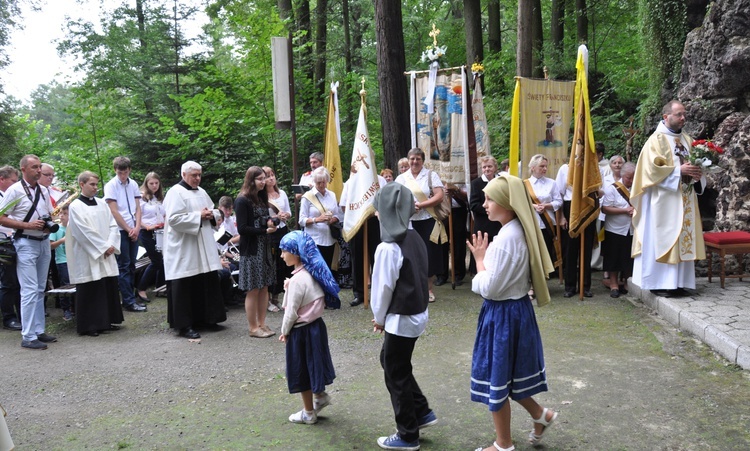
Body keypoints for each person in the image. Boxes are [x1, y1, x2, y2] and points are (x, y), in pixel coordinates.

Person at [467, 174, 557, 451]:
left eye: (490, 198)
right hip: (516, 311)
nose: (485, 204)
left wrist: (480, 261)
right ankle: (541, 416)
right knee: (512, 377)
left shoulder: (507, 238)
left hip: (503, 314)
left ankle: (503, 444)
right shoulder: (516, 229)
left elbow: (490, 288)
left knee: (497, 379)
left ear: (506, 202)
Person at [370, 182, 437, 451]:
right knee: (392, 361)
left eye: (378, 209)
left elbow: (382, 289)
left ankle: (408, 434)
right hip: (416, 313)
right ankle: (421, 411)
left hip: (402, 317)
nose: (375, 213)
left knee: (395, 371)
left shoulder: (388, 247)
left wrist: (379, 318)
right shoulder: (414, 236)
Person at [631, 100, 706, 297]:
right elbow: (650, 171)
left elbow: (696, 165)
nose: (683, 118)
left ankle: (679, 283)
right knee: (662, 237)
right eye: (679, 114)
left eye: (684, 114)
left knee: (684, 238)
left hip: (686, 197)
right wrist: (678, 171)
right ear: (666, 117)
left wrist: (698, 175)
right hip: (663, 201)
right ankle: (659, 283)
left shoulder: (688, 140)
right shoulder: (656, 141)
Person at [278, 231, 338, 425]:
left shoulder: (297, 281)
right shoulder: (315, 272)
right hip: (316, 328)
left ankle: (308, 412)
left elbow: (291, 312)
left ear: (296, 253)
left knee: (301, 369)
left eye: (284, 251)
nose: (281, 255)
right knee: (314, 362)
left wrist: (284, 331)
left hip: (300, 331)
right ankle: (320, 395)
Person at [163, 161, 227, 339]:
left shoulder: (202, 191)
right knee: (185, 285)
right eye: (194, 175)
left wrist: (211, 215)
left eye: (199, 175)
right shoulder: (175, 192)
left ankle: (207, 318)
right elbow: (174, 219)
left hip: (203, 246)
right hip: (185, 247)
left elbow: (214, 211)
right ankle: (185, 325)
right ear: (184, 174)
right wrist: (198, 216)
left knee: (204, 281)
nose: (197, 178)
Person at [0, 155, 58, 350]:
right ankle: (28, 335)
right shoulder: (14, 190)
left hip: (43, 242)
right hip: (25, 242)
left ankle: (39, 330)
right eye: (34, 167)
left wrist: (48, 226)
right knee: (29, 289)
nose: (39, 170)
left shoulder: (43, 190)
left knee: (40, 288)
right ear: (23, 169)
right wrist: (28, 225)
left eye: (40, 167)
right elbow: (1, 217)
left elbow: (49, 214)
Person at [67, 171, 125, 337]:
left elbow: (113, 225)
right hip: (88, 254)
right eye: (92, 184)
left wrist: (111, 245)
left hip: (106, 251)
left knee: (106, 285)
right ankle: (90, 325)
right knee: (91, 287)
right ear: (82, 185)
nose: (95, 188)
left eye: (96, 184)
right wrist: (102, 247)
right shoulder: (75, 206)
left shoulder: (102, 204)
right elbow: (82, 231)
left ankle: (106, 321)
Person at [395, 148, 445, 303]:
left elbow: (439, 195)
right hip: (408, 221)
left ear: (422, 160)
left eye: (417, 159)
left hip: (428, 219)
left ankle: (428, 289)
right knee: (409, 255)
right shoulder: (401, 178)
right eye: (412, 159)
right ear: (408, 160)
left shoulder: (431, 175)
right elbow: (395, 197)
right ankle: (412, 287)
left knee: (428, 254)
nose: (414, 162)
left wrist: (422, 205)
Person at [235, 166, 277, 338]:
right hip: (251, 251)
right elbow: (243, 229)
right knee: (253, 289)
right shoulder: (242, 200)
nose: (264, 181)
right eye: (260, 178)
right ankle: (253, 327)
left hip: (265, 248)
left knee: (264, 287)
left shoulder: (261, 197)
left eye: (264, 178)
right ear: (251, 180)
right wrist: (263, 231)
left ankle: (262, 323)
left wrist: (271, 222)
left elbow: (264, 218)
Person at [103, 156, 146, 312]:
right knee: (124, 265)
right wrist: (129, 229)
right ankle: (128, 301)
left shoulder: (133, 183)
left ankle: (132, 297)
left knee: (133, 265)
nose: (123, 176)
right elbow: (114, 211)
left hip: (134, 228)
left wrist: (137, 227)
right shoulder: (111, 186)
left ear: (129, 170)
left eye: (125, 172)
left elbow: (138, 208)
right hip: (120, 230)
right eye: (120, 173)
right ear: (115, 170)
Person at [555, 161, 595, 298]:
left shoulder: (593, 168)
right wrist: (561, 217)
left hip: (588, 207)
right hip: (570, 207)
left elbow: (600, 191)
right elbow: (559, 194)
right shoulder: (565, 168)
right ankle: (570, 286)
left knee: (586, 250)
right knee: (570, 250)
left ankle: (585, 285)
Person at [299, 167, 343, 282]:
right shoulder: (308, 197)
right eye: (318, 182)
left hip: (330, 239)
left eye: (323, 182)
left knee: (328, 270)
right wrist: (317, 219)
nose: (321, 185)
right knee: (316, 271)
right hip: (314, 240)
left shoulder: (332, 195)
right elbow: (301, 220)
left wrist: (333, 219)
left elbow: (338, 214)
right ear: (314, 181)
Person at [524, 154, 562, 282]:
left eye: (546, 166)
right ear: (533, 167)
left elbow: (558, 201)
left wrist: (546, 205)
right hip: (531, 223)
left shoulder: (552, 183)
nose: (545, 169)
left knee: (545, 252)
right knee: (532, 253)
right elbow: (520, 202)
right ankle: (531, 281)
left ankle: (543, 281)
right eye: (542, 166)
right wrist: (534, 206)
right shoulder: (524, 184)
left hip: (547, 224)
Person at [602, 162, 636, 298]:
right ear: (623, 176)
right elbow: (605, 208)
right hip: (614, 229)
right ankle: (614, 284)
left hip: (632, 229)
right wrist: (624, 210)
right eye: (629, 177)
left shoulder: (637, 188)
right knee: (613, 257)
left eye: (634, 177)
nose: (631, 180)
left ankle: (627, 282)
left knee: (629, 257)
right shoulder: (612, 189)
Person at [263, 166, 292, 311]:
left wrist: (285, 215)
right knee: (271, 265)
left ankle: (277, 297)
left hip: (283, 231)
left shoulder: (282, 193)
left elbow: (289, 212)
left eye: (272, 175)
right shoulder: (262, 197)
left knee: (282, 264)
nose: (271, 178)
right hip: (271, 233)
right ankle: (268, 300)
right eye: (267, 176)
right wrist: (275, 217)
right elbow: (262, 217)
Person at [136, 172, 166, 302]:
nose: (154, 186)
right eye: (151, 183)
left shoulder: (159, 198)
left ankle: (160, 287)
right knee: (156, 261)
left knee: (162, 260)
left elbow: (164, 214)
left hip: (160, 231)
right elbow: (136, 216)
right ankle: (141, 288)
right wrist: (147, 226)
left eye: (156, 183)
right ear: (146, 184)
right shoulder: (141, 197)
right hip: (147, 232)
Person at [0, 165, 21, 331]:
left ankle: (21, 315)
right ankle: (9, 318)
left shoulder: (12, 195)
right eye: (13, 181)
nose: (16, 184)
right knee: (8, 283)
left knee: (17, 281)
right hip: (3, 243)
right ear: (2, 179)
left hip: (15, 241)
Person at [49, 205, 73, 321]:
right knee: (65, 285)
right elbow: (50, 246)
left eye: (65, 214)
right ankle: (66, 310)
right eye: (61, 214)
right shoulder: (57, 229)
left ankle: (74, 307)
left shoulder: (73, 228)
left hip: (74, 261)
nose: (62, 216)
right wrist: (62, 240)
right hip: (62, 261)